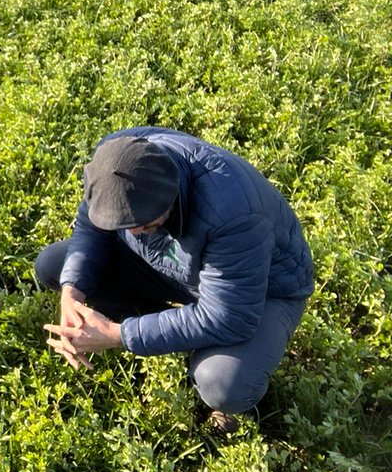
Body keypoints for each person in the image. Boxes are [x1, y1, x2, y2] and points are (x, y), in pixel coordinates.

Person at [35, 126, 315, 432]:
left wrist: (119, 334)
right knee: (55, 265)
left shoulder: (234, 214)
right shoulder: (114, 162)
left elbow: (231, 316)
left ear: (168, 198)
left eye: (141, 223)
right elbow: (92, 227)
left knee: (222, 382)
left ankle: (229, 395)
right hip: (178, 267)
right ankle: (173, 332)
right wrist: (71, 292)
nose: (130, 233)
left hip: (264, 291)